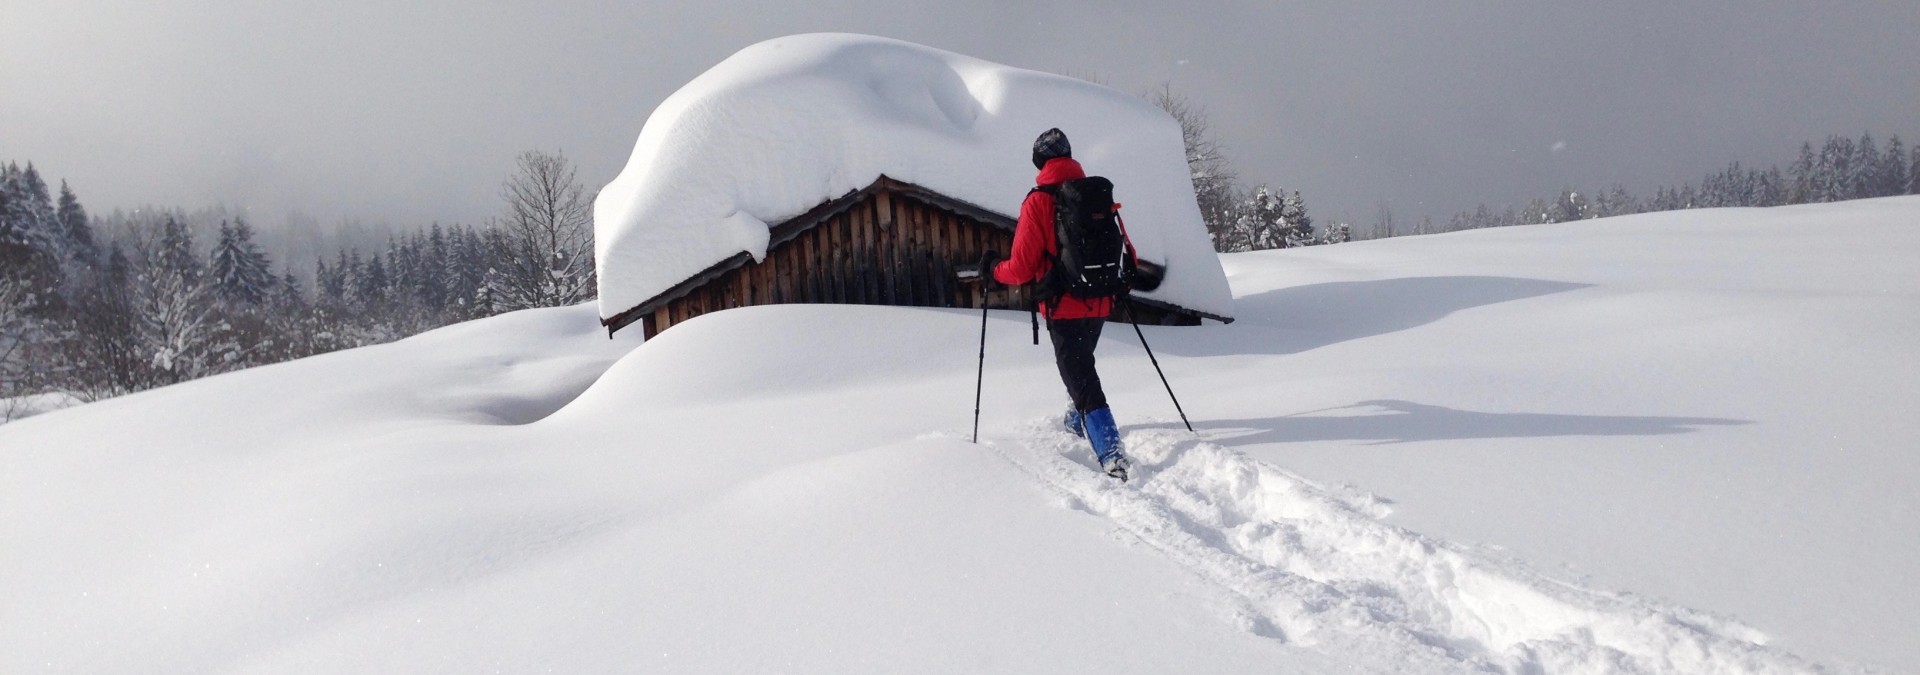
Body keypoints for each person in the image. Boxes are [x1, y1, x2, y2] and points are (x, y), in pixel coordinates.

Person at [981, 128, 1133, 481]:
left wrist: (993, 270)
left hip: (1063, 305)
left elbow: (1021, 268)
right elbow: (1126, 246)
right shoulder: (1095, 195)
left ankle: (1111, 454)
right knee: (1081, 367)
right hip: (1100, 298)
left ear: (1039, 162)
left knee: (1082, 377)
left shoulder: (1038, 201)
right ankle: (1075, 420)